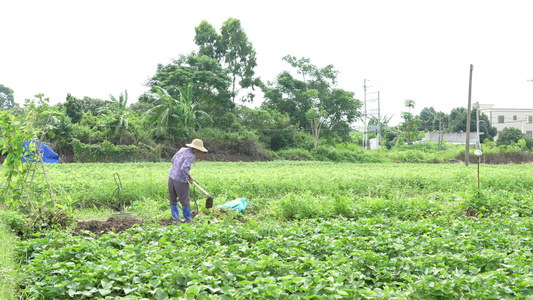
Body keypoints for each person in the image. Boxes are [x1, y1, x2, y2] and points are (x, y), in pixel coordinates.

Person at [168, 139, 208, 222]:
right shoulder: (190, 156)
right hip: (180, 180)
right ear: (195, 149)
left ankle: (176, 219)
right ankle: (187, 219)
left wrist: (176, 169)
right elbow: (184, 168)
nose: (199, 152)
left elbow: (173, 160)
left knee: (173, 199)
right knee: (185, 200)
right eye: (199, 150)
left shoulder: (182, 150)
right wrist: (189, 177)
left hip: (171, 176)